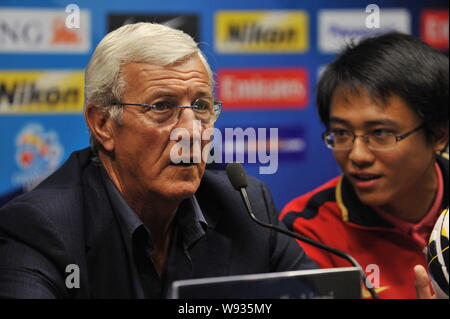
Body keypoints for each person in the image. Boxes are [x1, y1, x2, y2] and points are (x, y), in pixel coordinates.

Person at [0, 22, 316, 299]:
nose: (192, 131)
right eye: (162, 106)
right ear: (103, 124)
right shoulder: (42, 227)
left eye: (202, 105)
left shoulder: (247, 209)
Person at [280, 32, 448, 299]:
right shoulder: (308, 228)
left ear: (439, 135)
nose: (357, 155)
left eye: (380, 133)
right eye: (342, 134)